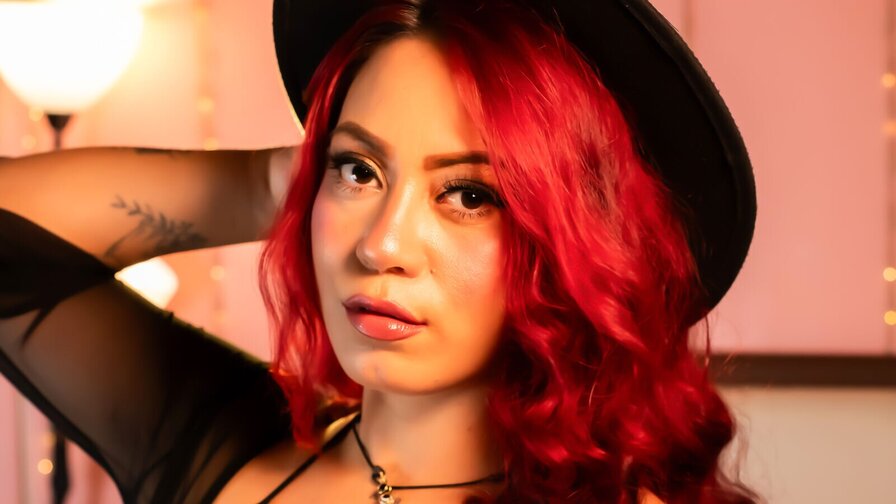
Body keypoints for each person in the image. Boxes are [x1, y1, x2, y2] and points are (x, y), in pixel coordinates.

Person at [0, 0, 759, 502]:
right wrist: (277, 182)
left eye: (469, 194)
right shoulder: (219, 439)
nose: (382, 244)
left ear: (573, 244)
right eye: (358, 171)